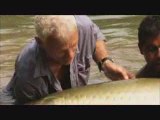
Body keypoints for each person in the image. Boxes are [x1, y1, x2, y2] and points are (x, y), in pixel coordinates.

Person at [6, 15, 134, 104]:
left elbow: (94, 36)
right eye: (62, 51)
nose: (71, 56)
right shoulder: (27, 72)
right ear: (40, 42)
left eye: (74, 46)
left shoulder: (83, 26)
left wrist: (105, 62)